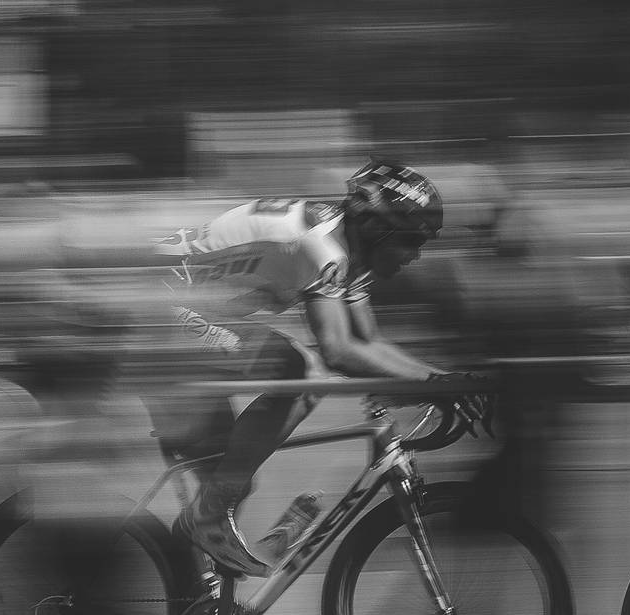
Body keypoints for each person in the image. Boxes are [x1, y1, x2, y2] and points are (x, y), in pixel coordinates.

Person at [142, 158, 467, 576]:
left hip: (175, 309)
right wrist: (433, 385)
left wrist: (440, 381)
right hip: (156, 311)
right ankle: (210, 523)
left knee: (228, 474)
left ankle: (198, 576)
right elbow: (338, 350)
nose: (415, 255)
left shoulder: (347, 246)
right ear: (377, 228)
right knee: (303, 370)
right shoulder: (324, 247)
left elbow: (369, 343)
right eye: (410, 241)